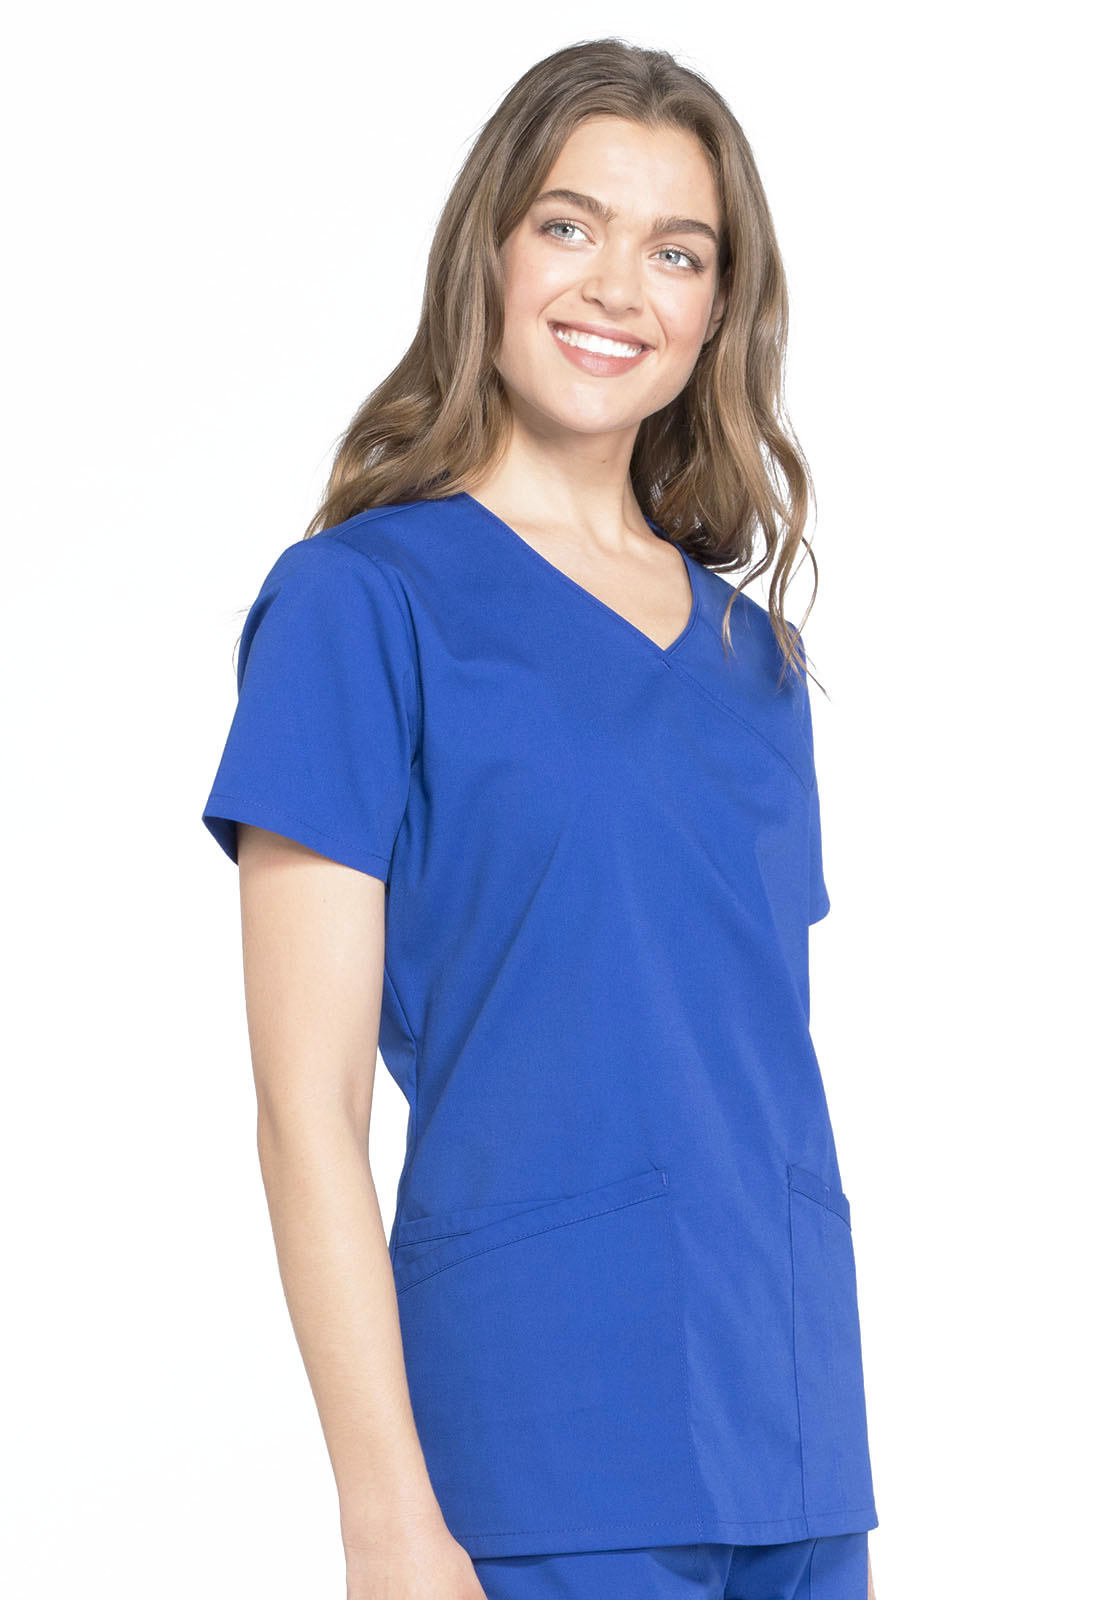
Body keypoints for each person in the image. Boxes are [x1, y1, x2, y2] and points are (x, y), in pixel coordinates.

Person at [200, 37, 880, 1600]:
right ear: (491, 252)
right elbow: (307, 1109)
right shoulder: (359, 606)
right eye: (570, 226)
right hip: (539, 1442)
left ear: (719, 308)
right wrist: (387, 1519)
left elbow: (732, 1069)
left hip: (794, 1435)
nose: (617, 287)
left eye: (677, 251)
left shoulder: (756, 664)